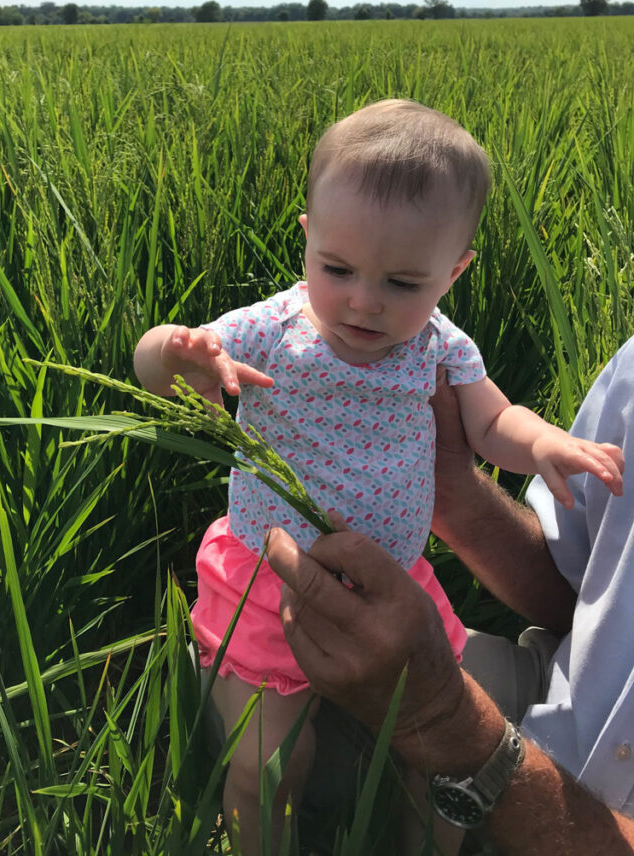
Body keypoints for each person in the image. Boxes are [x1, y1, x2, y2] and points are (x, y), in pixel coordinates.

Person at [133, 99, 624, 854]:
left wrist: (548, 444)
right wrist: (178, 354)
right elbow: (153, 363)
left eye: (401, 281)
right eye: (338, 269)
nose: (364, 300)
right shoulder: (274, 326)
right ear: (308, 243)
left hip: (397, 577)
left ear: (454, 271)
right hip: (272, 573)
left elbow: (494, 422)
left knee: (437, 758)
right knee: (270, 761)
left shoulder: (438, 344)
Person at [265, 346, 634, 853]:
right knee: (254, 695)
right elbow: (588, 587)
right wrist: (454, 495)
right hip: (561, 693)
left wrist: (448, 724)